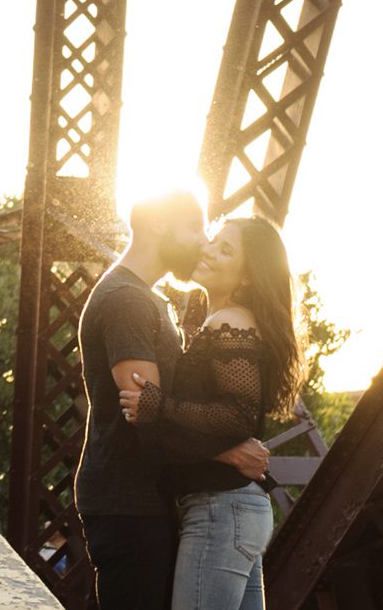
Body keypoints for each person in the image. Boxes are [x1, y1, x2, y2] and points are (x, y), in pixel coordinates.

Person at [76, 193, 270, 609]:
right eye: (195, 229)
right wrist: (229, 452)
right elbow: (143, 412)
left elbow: (155, 408)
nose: (203, 243)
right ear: (159, 225)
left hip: (147, 500)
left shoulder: (147, 298)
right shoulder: (127, 300)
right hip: (129, 504)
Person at [120, 216, 307, 610]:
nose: (208, 250)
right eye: (214, 241)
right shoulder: (218, 318)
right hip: (233, 509)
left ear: (247, 279)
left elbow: (238, 415)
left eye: (226, 250)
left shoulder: (230, 322)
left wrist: (159, 406)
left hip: (220, 509)